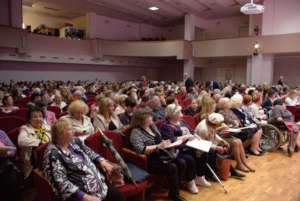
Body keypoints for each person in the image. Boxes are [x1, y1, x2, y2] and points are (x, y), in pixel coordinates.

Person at [43, 118, 126, 201]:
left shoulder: (74, 141)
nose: (74, 131)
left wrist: (101, 161)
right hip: (81, 196)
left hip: (101, 188)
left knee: (120, 197)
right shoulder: (53, 153)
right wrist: (84, 197)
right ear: (59, 134)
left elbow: (89, 151)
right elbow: (59, 182)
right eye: (70, 129)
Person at [130, 107, 186, 201]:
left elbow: (159, 139)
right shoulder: (135, 132)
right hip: (149, 159)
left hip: (161, 154)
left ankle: (175, 187)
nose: (152, 117)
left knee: (182, 162)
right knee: (172, 167)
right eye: (149, 116)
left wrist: (165, 143)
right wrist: (158, 146)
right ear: (142, 119)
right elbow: (140, 149)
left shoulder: (151, 125)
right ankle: (174, 194)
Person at [160, 104, 211, 192]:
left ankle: (199, 177)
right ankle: (190, 182)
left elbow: (191, 131)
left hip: (190, 145)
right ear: (173, 114)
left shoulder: (181, 121)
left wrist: (195, 136)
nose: (181, 113)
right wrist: (185, 137)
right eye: (179, 112)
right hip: (177, 149)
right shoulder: (166, 125)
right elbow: (171, 140)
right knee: (190, 159)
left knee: (203, 152)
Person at [218, 98, 255, 172]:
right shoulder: (221, 113)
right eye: (228, 102)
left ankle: (243, 163)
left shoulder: (230, 111)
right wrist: (234, 123)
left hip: (232, 130)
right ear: (224, 104)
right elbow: (228, 123)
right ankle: (239, 163)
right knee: (237, 141)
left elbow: (236, 120)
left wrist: (236, 123)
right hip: (223, 134)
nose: (230, 103)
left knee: (239, 141)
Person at [18, 106, 51, 178]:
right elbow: (21, 141)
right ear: (29, 119)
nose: (38, 119)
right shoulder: (25, 128)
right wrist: (40, 143)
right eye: (35, 117)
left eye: (40, 116)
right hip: (33, 161)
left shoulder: (48, 127)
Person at [0, 129, 23, 201]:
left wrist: (7, 153)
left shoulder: (1, 133)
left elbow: (13, 149)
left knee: (11, 178)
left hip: (4, 165)